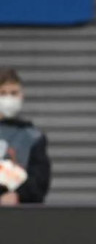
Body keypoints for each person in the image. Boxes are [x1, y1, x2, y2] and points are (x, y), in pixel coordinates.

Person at [0, 68, 51, 205]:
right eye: (3, 93)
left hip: (20, 212)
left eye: (13, 93)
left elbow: (40, 180)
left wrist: (17, 195)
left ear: (21, 95)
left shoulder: (33, 137)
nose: (8, 99)